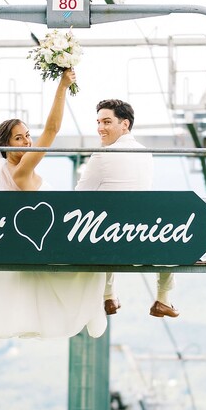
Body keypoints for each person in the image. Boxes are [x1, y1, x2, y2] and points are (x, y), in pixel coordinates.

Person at [0, 69, 107, 339]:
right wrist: (63, 86)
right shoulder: (20, 171)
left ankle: (101, 302)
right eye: (19, 138)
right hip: (48, 243)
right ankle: (100, 302)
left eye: (27, 135)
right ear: (4, 146)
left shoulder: (11, 171)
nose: (27, 141)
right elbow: (52, 130)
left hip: (44, 237)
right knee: (98, 252)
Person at [75, 98, 179, 319]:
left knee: (100, 224)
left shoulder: (101, 155)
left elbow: (79, 196)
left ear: (125, 124)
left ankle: (108, 296)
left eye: (106, 122)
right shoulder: (146, 154)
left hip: (107, 243)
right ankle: (163, 299)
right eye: (98, 122)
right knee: (171, 232)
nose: (100, 128)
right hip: (142, 240)